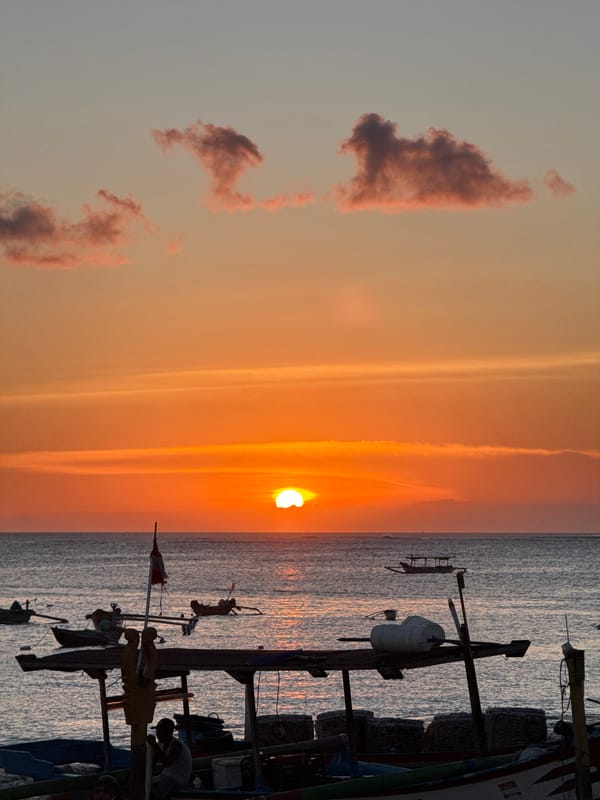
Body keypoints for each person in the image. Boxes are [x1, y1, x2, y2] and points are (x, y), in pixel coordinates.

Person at [147, 718, 192, 799]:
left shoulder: (176, 745)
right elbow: (152, 765)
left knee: (154, 795)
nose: (158, 734)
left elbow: (167, 763)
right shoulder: (162, 745)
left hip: (178, 780)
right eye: (157, 731)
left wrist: (155, 745)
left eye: (160, 732)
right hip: (165, 777)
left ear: (169, 732)